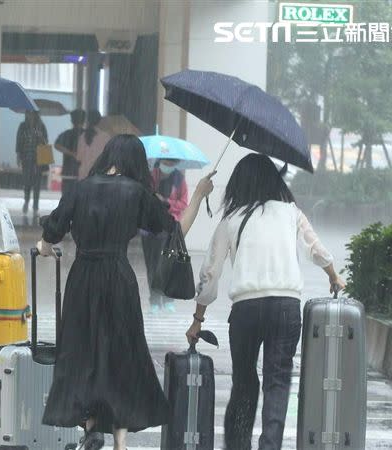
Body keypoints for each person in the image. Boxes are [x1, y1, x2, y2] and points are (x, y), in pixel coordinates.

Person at [36, 135, 215, 450]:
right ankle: (119, 439)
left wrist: (45, 247)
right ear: (135, 162)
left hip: (82, 278)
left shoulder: (80, 188)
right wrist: (198, 195)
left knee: (82, 353)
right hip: (119, 278)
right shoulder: (138, 194)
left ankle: (91, 426)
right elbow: (175, 233)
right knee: (122, 355)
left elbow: (52, 230)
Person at [185, 154, 346, 450]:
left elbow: (210, 274)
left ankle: (238, 445)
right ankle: (269, 446)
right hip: (286, 308)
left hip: (246, 310)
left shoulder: (231, 219)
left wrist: (198, 319)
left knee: (244, 383)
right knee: (278, 381)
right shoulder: (289, 212)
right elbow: (317, 249)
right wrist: (333, 275)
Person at [141, 158, 190, 313]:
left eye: (172, 163)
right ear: (160, 161)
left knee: (168, 264)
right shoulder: (149, 177)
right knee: (152, 266)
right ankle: (154, 300)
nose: (168, 166)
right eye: (166, 162)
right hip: (149, 228)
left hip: (169, 228)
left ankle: (168, 299)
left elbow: (183, 204)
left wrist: (166, 201)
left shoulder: (179, 180)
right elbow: (143, 199)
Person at [15, 110, 49, 214]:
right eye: (27, 113)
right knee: (27, 181)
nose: (29, 115)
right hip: (26, 157)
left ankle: (35, 205)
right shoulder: (22, 126)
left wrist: (40, 136)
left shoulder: (41, 126)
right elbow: (18, 141)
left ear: (36, 114)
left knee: (37, 182)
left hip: (38, 158)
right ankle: (26, 201)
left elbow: (46, 142)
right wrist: (18, 155)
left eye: (31, 113)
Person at [54, 109, 86, 197]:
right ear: (84, 120)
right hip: (84, 172)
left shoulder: (66, 134)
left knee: (67, 197)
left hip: (68, 171)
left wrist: (70, 153)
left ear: (72, 120)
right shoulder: (88, 135)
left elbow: (56, 145)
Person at [76, 110, 111, 180]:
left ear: (87, 120)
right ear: (100, 121)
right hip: (99, 175)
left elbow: (79, 158)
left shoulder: (82, 137)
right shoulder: (106, 137)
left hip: (84, 174)